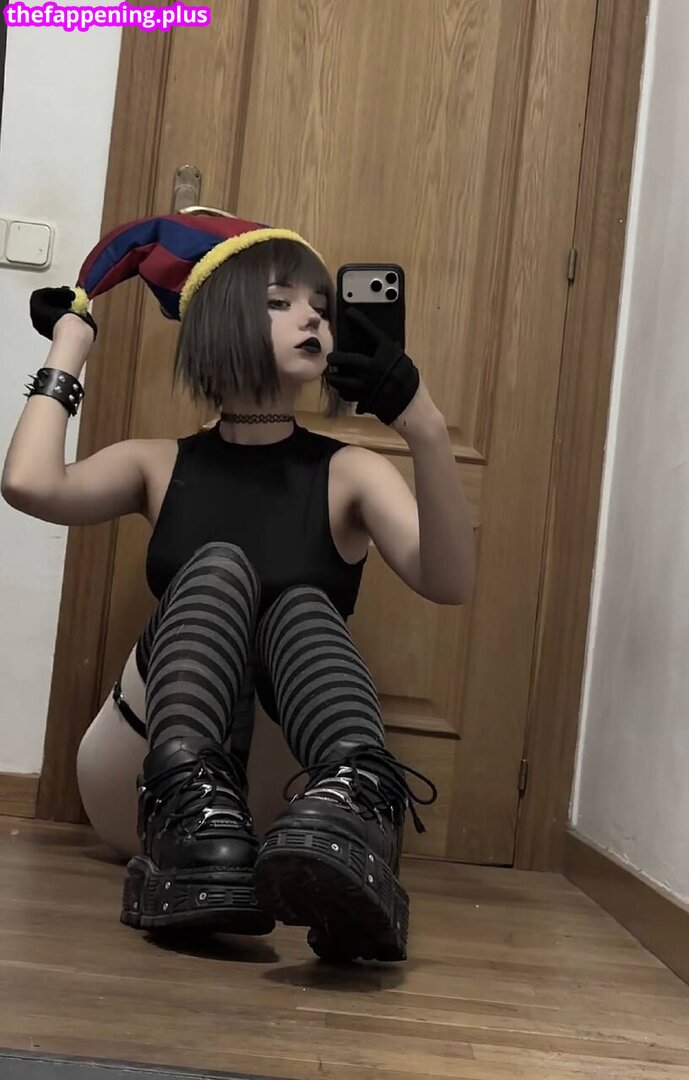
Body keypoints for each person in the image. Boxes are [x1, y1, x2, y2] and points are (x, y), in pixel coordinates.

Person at [1, 212, 475, 963]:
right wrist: (71, 343)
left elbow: (449, 582)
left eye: (320, 306)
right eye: (280, 301)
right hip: (149, 787)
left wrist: (423, 423)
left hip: (289, 808)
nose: (313, 318)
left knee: (301, 605)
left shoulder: (350, 471)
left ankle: (358, 803)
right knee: (221, 568)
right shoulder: (157, 462)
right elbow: (29, 483)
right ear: (221, 319)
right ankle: (191, 815)